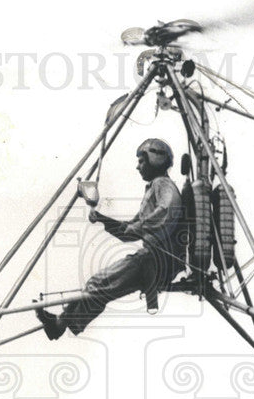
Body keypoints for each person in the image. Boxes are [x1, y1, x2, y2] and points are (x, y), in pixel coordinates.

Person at [35, 138, 185, 339]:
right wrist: (102, 219)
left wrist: (137, 227)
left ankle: (60, 324)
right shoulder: (153, 188)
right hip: (155, 261)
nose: (138, 166)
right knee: (101, 288)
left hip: (156, 260)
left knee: (100, 284)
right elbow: (128, 233)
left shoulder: (163, 184)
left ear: (155, 160)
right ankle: (61, 324)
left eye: (142, 161)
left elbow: (166, 211)